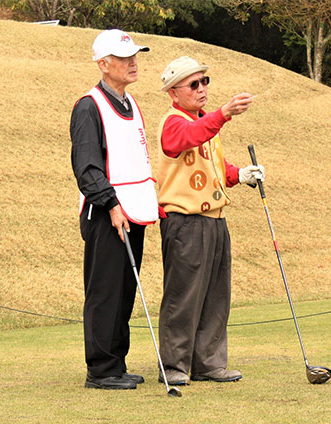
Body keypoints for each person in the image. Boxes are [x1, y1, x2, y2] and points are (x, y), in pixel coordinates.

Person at [157, 56, 265, 386]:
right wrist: (224, 114)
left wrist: (240, 175)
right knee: (183, 296)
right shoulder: (174, 121)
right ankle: (174, 365)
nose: (202, 88)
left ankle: (208, 363)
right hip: (185, 222)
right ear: (174, 93)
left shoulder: (205, 123)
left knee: (216, 296)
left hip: (215, 220)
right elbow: (186, 139)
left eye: (205, 82)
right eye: (194, 84)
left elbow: (215, 167)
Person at [70, 29, 158, 390]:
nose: (132, 62)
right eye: (124, 58)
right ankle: (101, 370)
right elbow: (87, 167)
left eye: (134, 55)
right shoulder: (89, 106)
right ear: (103, 65)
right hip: (106, 213)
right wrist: (110, 204)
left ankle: (116, 363)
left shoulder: (131, 102)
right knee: (105, 290)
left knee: (125, 289)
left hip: (133, 212)